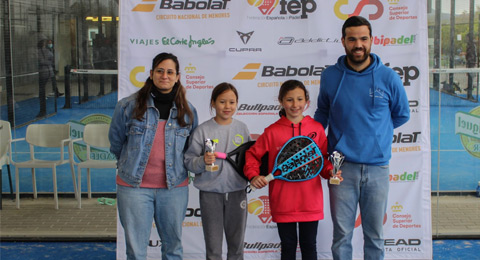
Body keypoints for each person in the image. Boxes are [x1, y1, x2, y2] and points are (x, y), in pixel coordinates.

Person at [314, 16, 410, 260]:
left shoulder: (388, 77)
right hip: (340, 168)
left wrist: (377, 135)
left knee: (374, 236)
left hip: (377, 168)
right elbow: (322, 114)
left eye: (363, 39)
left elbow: (401, 115)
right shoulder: (330, 76)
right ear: (343, 41)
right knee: (342, 235)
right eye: (352, 39)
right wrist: (311, 138)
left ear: (372, 40)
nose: (358, 44)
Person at [109, 52, 198, 260]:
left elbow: (190, 149)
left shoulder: (188, 111)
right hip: (133, 188)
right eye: (160, 71)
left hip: (174, 188)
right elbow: (116, 142)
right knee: (136, 251)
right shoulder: (127, 106)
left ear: (177, 77)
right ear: (151, 74)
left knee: (173, 249)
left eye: (170, 72)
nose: (164, 76)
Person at [244, 79, 341, 260]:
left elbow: (322, 161)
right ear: (281, 101)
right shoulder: (272, 131)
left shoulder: (317, 129)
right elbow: (252, 155)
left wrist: (330, 172)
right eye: (289, 100)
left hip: (310, 201)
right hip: (283, 201)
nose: (295, 105)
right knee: (288, 247)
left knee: (309, 246)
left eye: (299, 99)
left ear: (307, 102)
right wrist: (253, 175)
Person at [184, 82, 251, 260]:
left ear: (237, 103)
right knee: (213, 249)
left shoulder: (242, 128)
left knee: (236, 247)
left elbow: (249, 159)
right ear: (213, 103)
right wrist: (202, 161)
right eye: (222, 102)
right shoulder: (202, 130)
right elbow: (189, 162)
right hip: (210, 195)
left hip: (238, 193)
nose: (227, 106)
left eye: (231, 102)